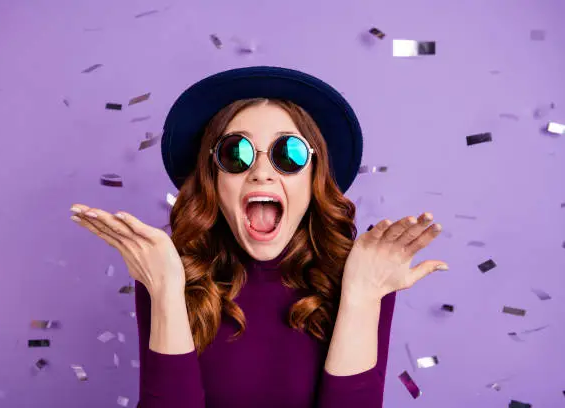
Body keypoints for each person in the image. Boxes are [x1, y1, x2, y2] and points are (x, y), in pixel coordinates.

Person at [69, 66, 448, 408]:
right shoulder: (170, 269)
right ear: (213, 180)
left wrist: (363, 294)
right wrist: (166, 288)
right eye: (237, 153)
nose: (262, 173)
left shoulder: (363, 272)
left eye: (289, 153)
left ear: (314, 176)